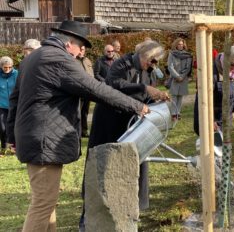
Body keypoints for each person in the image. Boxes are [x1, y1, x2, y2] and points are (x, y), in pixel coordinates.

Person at [6, 20, 149, 232]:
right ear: (68, 43)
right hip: (45, 140)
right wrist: (137, 106)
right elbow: (96, 89)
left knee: (47, 200)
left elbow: (15, 101)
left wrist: (11, 136)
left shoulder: (34, 57)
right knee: (43, 203)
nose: (80, 53)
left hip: (35, 137)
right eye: (80, 47)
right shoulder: (58, 59)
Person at [78, 40, 169, 231]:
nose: (152, 65)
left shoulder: (149, 69)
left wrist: (156, 95)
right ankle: (89, 215)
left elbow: (145, 92)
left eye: (155, 62)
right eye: (151, 61)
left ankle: (128, 208)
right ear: (143, 55)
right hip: (109, 123)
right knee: (102, 163)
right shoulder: (122, 63)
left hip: (131, 124)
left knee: (135, 162)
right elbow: (115, 84)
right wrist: (145, 89)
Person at [193, 46, 234, 135]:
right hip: (211, 117)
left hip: (225, 117)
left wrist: (233, 110)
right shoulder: (210, 73)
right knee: (212, 146)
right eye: (232, 64)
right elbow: (202, 101)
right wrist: (210, 120)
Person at [167, 38, 193, 120]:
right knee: (174, 96)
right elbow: (170, 66)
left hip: (183, 78)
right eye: (179, 44)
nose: (180, 46)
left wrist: (182, 76)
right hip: (174, 78)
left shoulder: (188, 55)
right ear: (176, 45)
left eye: (182, 44)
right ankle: (173, 113)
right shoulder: (171, 54)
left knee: (180, 96)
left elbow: (188, 67)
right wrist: (177, 76)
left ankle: (178, 113)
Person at [0, 56, 17, 152]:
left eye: (10, 67)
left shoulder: (16, 74)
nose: (8, 69)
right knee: (2, 128)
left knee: (13, 127)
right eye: (5, 67)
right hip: (1, 106)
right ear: (1, 67)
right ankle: (4, 147)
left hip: (14, 105)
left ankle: (12, 147)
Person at [77, 46, 94, 137]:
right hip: (79, 91)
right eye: (80, 49)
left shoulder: (87, 60)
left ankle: (84, 131)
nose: (81, 51)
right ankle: (78, 131)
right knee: (77, 113)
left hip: (88, 91)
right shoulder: (73, 60)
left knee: (85, 112)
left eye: (83, 49)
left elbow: (91, 73)